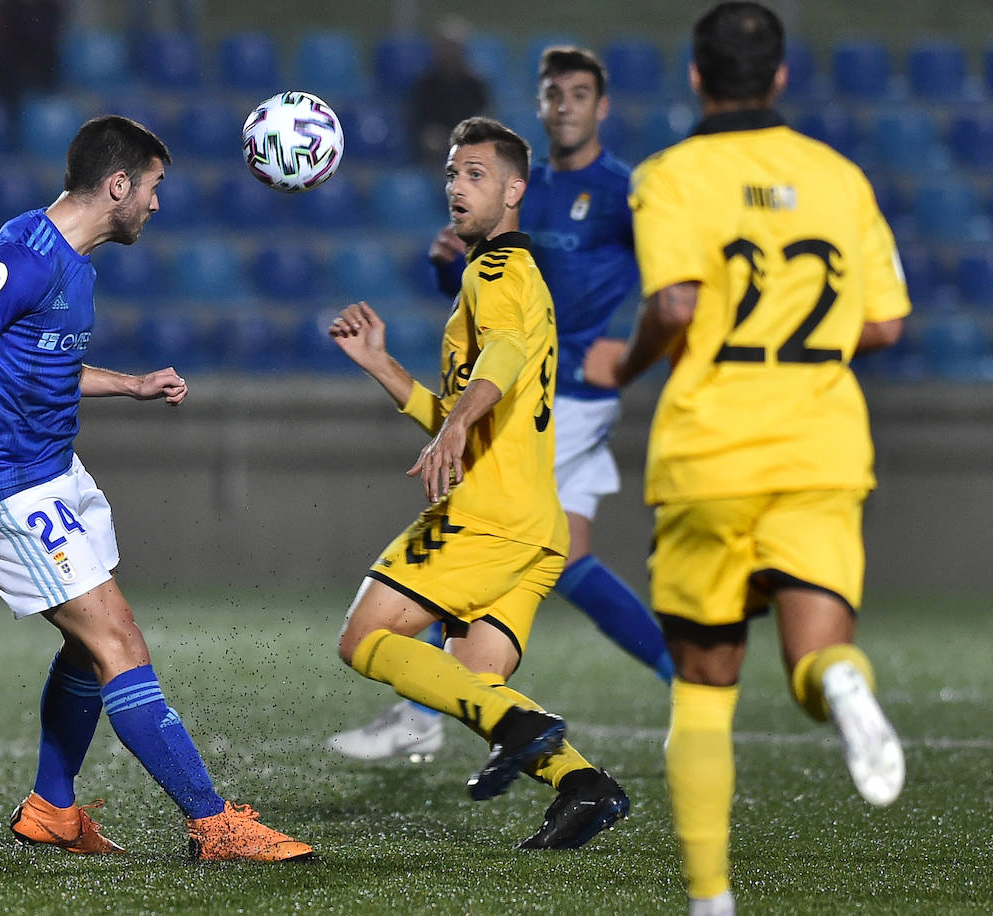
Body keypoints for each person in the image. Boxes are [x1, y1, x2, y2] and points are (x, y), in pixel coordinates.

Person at [0, 115, 312, 862]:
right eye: (153, 188)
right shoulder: (24, 254)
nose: (156, 204)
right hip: (7, 486)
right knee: (118, 641)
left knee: (87, 651)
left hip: (54, 472)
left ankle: (52, 808)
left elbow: (45, 364)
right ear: (118, 184)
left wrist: (133, 384)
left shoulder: (77, 267)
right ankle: (214, 825)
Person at [598, 5, 909, 913]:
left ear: (696, 76)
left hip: (713, 451)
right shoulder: (839, 178)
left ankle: (711, 901)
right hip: (821, 446)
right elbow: (886, 322)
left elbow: (680, 304)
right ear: (779, 77)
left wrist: (629, 357)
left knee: (704, 685)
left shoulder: (672, 175)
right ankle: (845, 688)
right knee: (820, 653)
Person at [329, 45, 673, 762]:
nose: (457, 185)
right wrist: (390, 363)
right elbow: (487, 365)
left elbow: (510, 350)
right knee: (488, 663)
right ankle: (576, 778)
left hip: (519, 466)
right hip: (531, 469)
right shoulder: (501, 246)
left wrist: (635, 353)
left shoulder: (539, 242)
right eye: (453, 173)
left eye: (475, 174)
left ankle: (421, 717)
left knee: (368, 636)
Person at [408, 16, 490, 166]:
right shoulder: (425, 85)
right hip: (436, 143)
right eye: (445, 47)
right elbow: (417, 120)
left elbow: (485, 115)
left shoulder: (475, 84)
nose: (449, 53)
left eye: (454, 47)